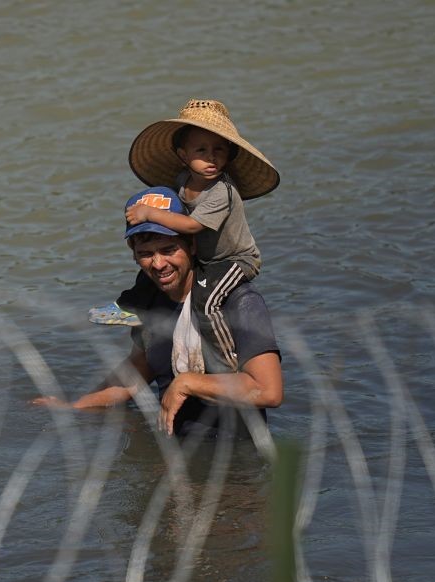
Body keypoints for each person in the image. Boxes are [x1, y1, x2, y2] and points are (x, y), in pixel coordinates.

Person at [35, 187, 282, 440]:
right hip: (173, 451)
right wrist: (74, 407)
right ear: (133, 254)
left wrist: (187, 383)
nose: (158, 264)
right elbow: (136, 372)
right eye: (146, 254)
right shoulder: (150, 303)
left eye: (168, 249)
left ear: (192, 245)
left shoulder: (237, 301)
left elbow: (268, 391)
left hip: (232, 457)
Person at [109, 99, 280, 374]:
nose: (212, 158)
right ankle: (127, 305)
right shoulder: (182, 182)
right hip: (207, 258)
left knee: (208, 301)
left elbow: (190, 226)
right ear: (182, 155)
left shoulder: (222, 191)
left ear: (230, 155)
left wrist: (149, 213)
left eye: (219, 150)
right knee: (147, 276)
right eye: (201, 150)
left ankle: (225, 361)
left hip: (235, 260)